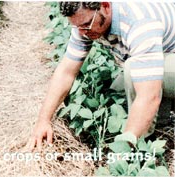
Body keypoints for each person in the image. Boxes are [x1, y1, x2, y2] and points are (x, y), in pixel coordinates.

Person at [27, 2, 175, 151]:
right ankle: (162, 119)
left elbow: (149, 97)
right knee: (116, 91)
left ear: (105, 6)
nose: (82, 33)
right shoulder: (85, 22)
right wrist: (43, 120)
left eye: (86, 25)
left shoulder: (139, 24)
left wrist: (122, 150)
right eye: (77, 27)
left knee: (133, 73)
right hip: (162, 54)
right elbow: (66, 71)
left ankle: (143, 144)